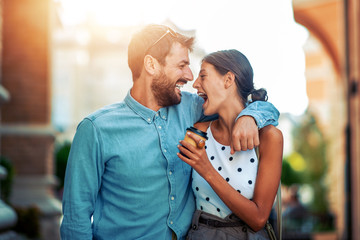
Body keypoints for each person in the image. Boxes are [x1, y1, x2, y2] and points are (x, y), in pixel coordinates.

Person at [60, 25, 279, 240]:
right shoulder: (96, 129)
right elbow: (75, 220)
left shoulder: (193, 108)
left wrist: (252, 116)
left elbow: (239, 99)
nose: (189, 75)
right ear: (151, 65)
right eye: (182, 65)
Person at [177, 49, 283, 239]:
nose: (195, 84)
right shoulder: (198, 130)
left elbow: (258, 219)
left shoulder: (269, 137)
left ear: (228, 80)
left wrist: (207, 170)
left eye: (203, 76)